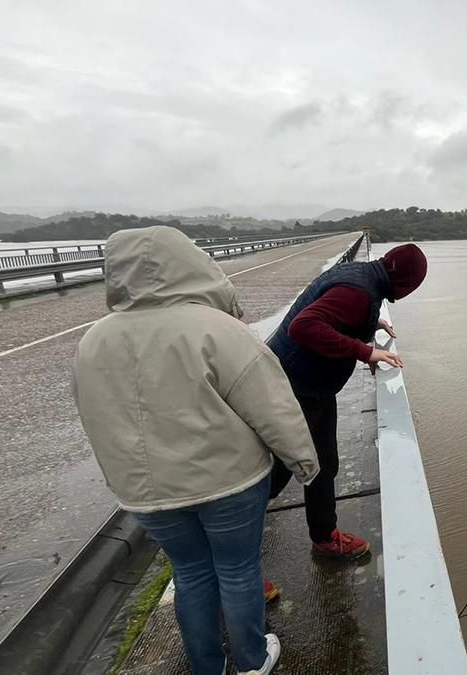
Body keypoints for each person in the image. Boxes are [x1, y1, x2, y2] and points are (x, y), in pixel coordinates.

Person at [73, 226, 320, 675]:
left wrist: (121, 479)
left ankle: (208, 666)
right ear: (189, 263)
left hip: (149, 493)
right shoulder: (215, 328)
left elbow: (97, 418)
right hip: (229, 481)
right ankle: (252, 660)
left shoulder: (94, 340)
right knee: (238, 569)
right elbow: (271, 404)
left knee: (189, 573)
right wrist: (303, 460)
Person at [267, 243, 427, 559]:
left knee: (322, 462)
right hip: (296, 385)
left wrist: (371, 324)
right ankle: (233, 533)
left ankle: (323, 535)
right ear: (406, 284)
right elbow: (304, 326)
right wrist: (365, 351)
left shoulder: (363, 277)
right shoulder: (358, 293)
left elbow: (338, 312)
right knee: (282, 467)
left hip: (309, 384)